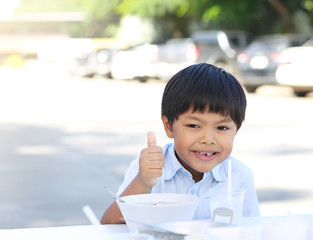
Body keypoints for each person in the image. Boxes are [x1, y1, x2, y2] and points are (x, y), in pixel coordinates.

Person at [100, 63, 260, 224]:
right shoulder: (149, 169)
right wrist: (143, 182)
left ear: (236, 130)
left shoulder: (239, 176)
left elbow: (253, 230)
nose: (208, 139)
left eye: (222, 127)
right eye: (194, 125)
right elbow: (109, 225)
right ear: (169, 126)